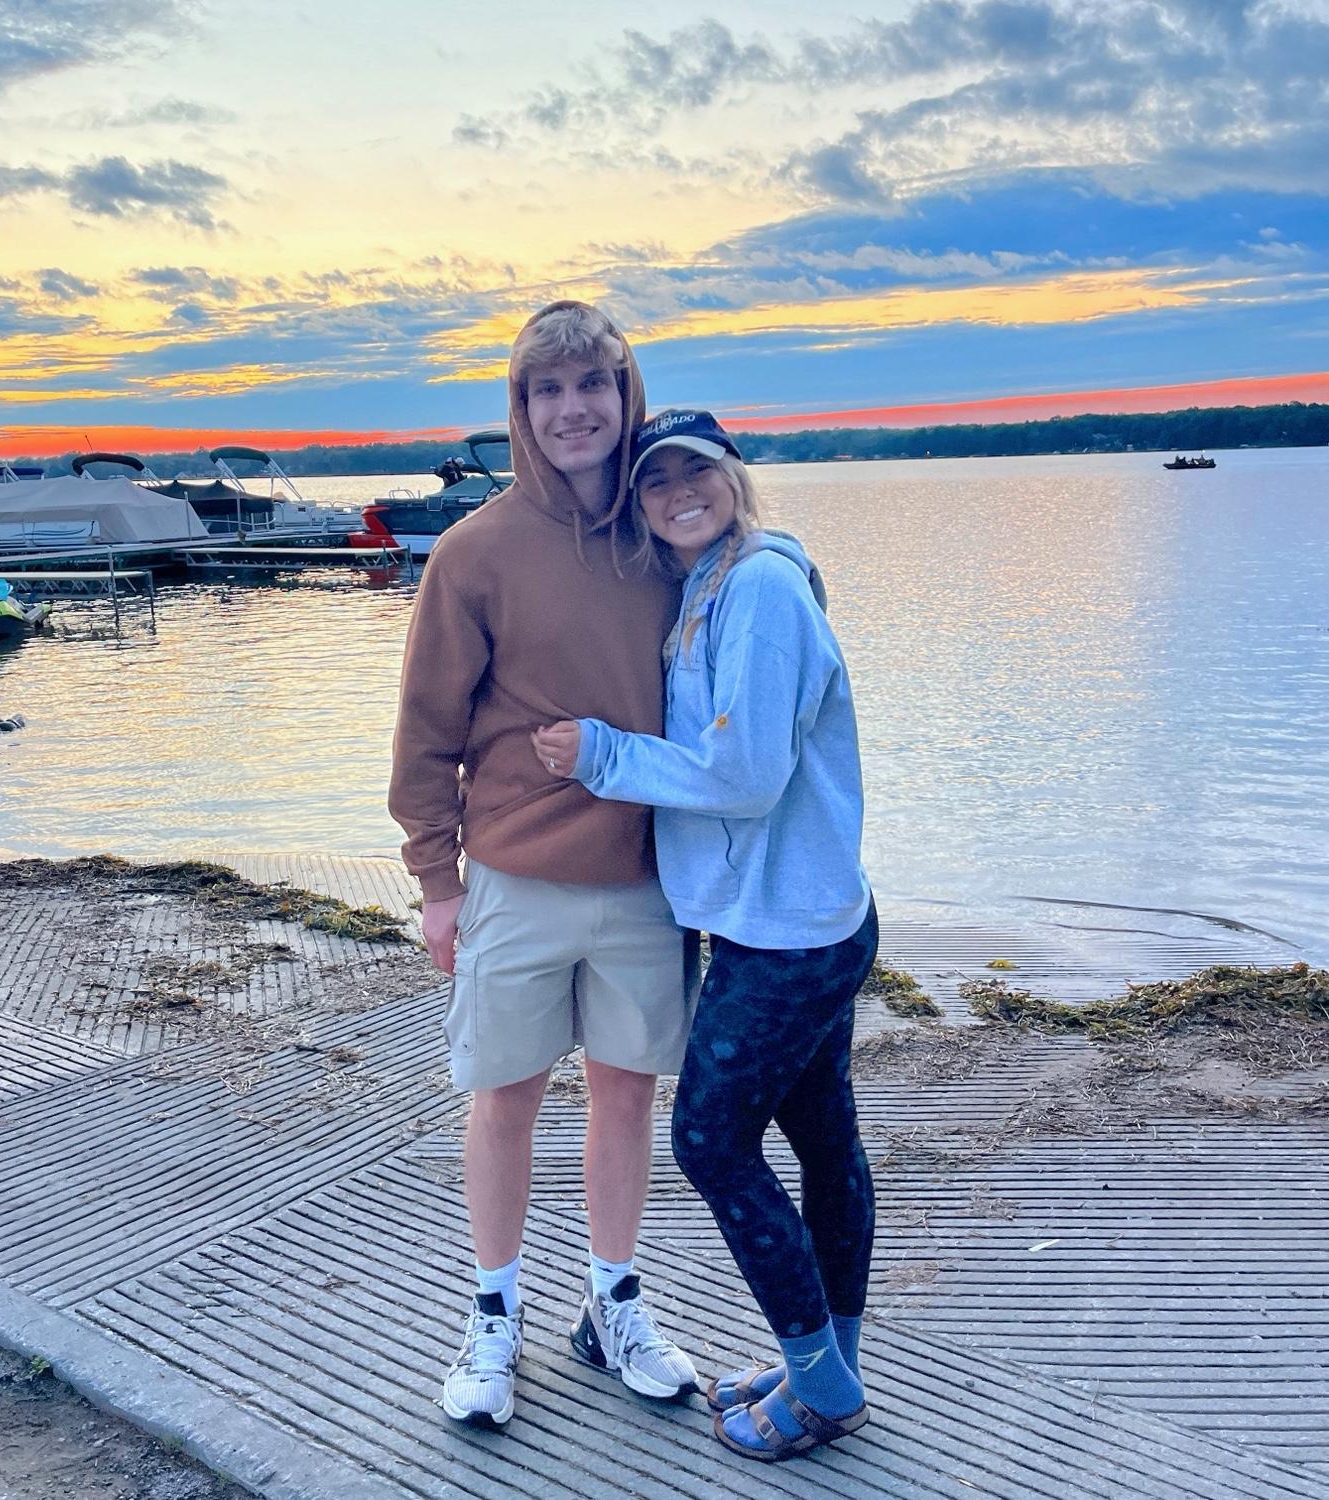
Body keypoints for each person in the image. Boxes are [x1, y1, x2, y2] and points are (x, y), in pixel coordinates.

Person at [533, 408, 877, 1462]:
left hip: (788, 933)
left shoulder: (761, 586)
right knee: (822, 1138)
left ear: (734, 474)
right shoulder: (710, 584)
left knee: (711, 1140)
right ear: (639, 502)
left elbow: (746, 775)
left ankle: (824, 1387)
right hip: (799, 916)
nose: (678, 491)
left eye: (697, 470)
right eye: (655, 480)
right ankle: (830, 1363)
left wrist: (603, 755)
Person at [389, 302, 699, 1430]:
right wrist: (437, 884)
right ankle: (493, 1313)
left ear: (626, 395)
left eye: (593, 385)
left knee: (626, 1094)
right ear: (521, 409)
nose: (574, 410)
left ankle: (614, 1302)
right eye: (548, 390)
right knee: (505, 1097)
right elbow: (426, 732)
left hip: (647, 878)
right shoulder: (474, 552)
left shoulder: (667, 536)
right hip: (514, 876)